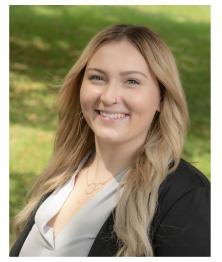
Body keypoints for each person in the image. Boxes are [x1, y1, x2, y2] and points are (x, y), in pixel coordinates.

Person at [10, 24, 210, 257]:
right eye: (97, 78)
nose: (108, 97)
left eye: (132, 81)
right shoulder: (63, 173)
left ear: (162, 99)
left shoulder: (187, 198)